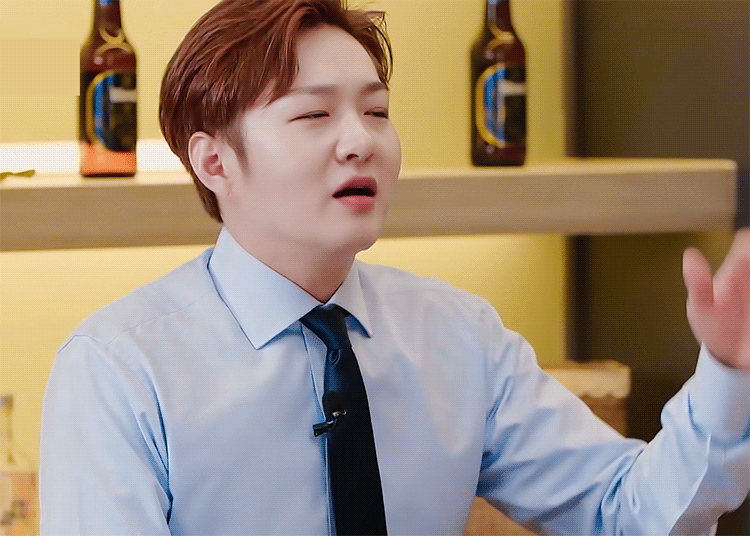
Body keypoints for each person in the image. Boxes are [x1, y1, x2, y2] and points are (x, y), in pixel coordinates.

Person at [40, 0, 750, 534]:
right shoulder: (118, 370)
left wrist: (727, 373)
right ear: (214, 161)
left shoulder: (458, 334)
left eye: (376, 112)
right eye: (313, 116)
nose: (361, 142)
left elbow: (625, 512)